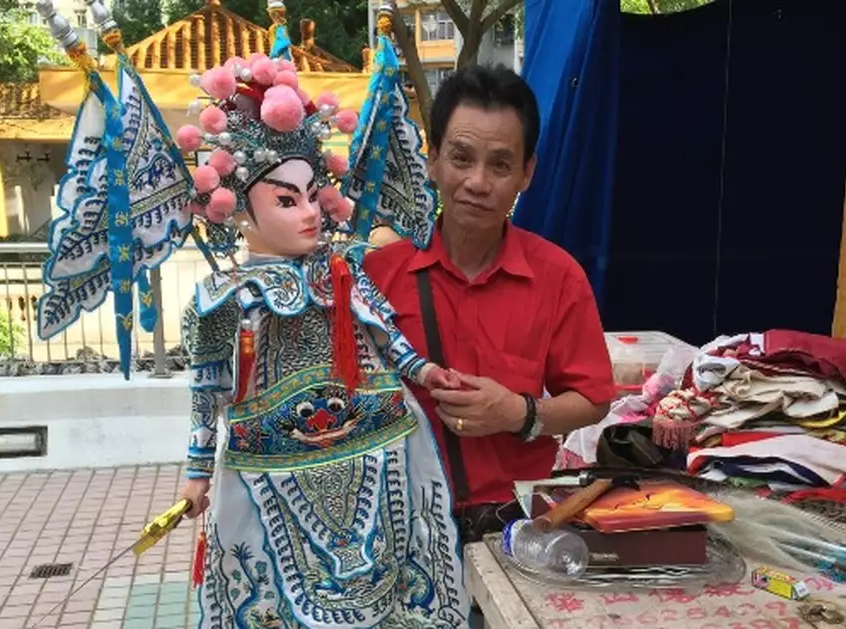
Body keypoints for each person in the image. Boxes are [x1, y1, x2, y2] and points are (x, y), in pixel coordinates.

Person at [165, 57, 469, 628]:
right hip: (270, 465)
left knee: (395, 586)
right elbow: (207, 392)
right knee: (273, 595)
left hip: (379, 450)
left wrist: (426, 374)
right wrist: (197, 472)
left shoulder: (344, 268)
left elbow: (387, 337)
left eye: (311, 196)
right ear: (237, 209)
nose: (307, 213)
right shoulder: (222, 295)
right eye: (286, 201)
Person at [363, 64, 617, 541]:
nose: (478, 182)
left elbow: (593, 399)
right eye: (461, 158)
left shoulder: (558, 277)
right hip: (397, 532)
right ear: (433, 158)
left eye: (500, 164)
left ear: (526, 173)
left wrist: (520, 414)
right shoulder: (376, 277)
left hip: (511, 528)